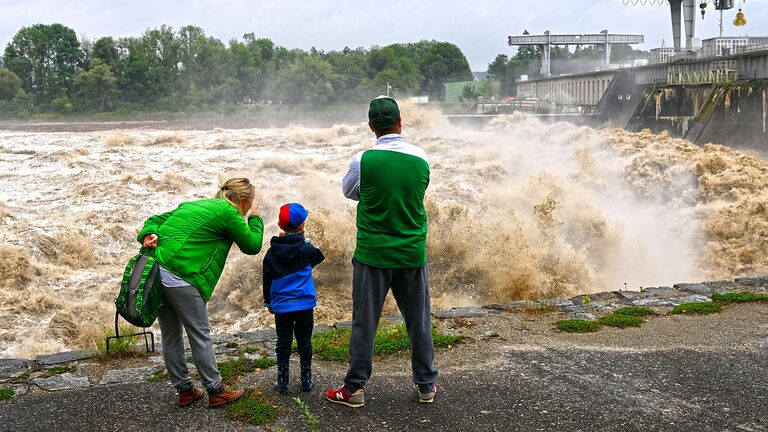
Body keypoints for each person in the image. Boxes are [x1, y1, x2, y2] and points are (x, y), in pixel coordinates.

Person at [326, 95, 438, 408]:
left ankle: (354, 389)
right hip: (411, 252)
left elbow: (350, 192)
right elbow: (418, 189)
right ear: (401, 122)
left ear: (371, 127)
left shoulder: (362, 160)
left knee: (365, 323)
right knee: (419, 322)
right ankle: (426, 385)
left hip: (372, 255)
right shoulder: (421, 157)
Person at [137, 177, 264, 408]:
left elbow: (155, 219)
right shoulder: (229, 213)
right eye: (250, 202)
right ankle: (215, 391)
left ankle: (185, 390)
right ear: (244, 200)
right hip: (182, 277)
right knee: (199, 334)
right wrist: (254, 220)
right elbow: (252, 246)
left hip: (155, 271)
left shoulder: (191, 205)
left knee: (170, 334)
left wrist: (149, 233)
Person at [262, 203, 325, 393]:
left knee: (283, 343)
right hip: (305, 306)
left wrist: (269, 303)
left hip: (282, 307)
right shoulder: (307, 250)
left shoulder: (272, 252)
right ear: (302, 226)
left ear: (280, 226)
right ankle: (306, 381)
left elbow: (267, 280)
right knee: (304, 342)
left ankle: (283, 382)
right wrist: (304, 242)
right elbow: (319, 256)